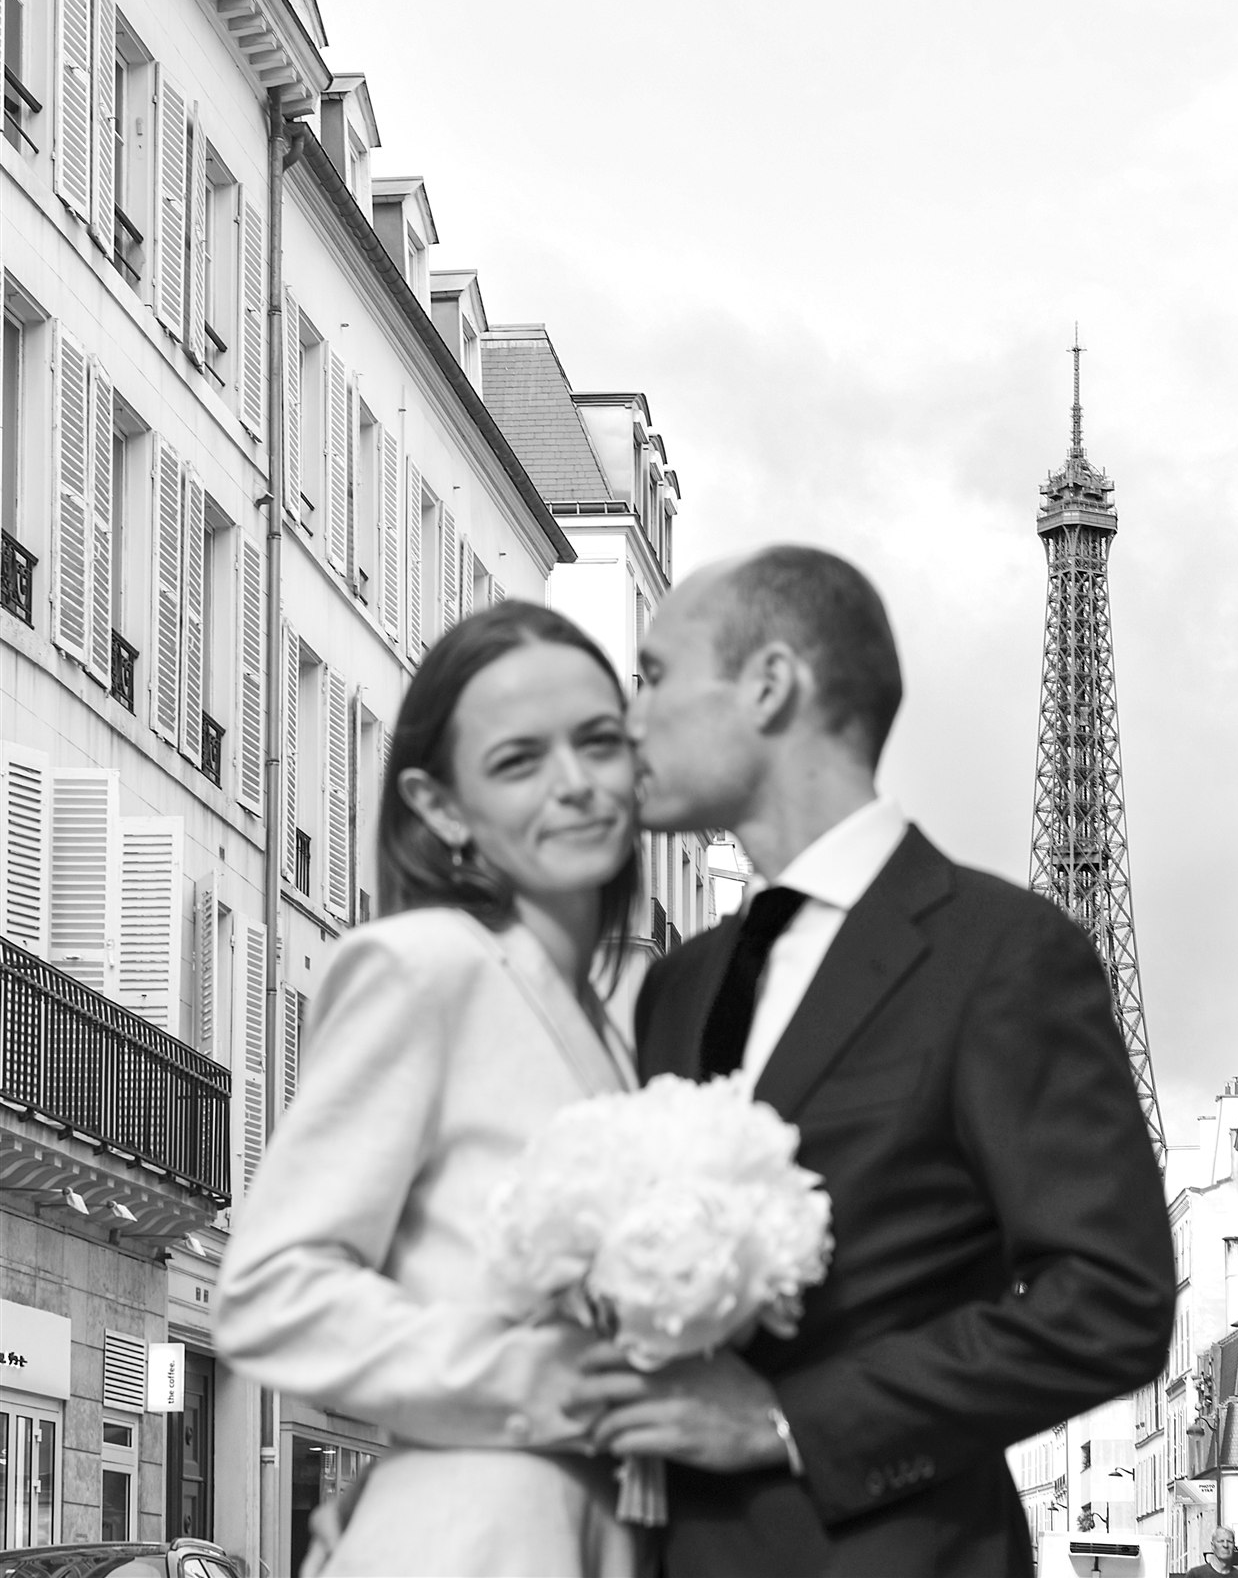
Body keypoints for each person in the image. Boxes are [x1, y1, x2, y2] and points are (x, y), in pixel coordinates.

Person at [570, 545, 1177, 1577]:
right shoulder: (681, 983)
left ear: (770, 684)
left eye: (657, 675)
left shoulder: (1002, 954)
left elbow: (1111, 1299)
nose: (630, 719)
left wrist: (792, 1423)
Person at [214, 602, 644, 1578]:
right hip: (473, 1532)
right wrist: (541, 1379)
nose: (576, 783)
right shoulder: (420, 965)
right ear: (441, 806)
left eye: (599, 741)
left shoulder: (607, 1023)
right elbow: (271, 1291)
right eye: (519, 760)